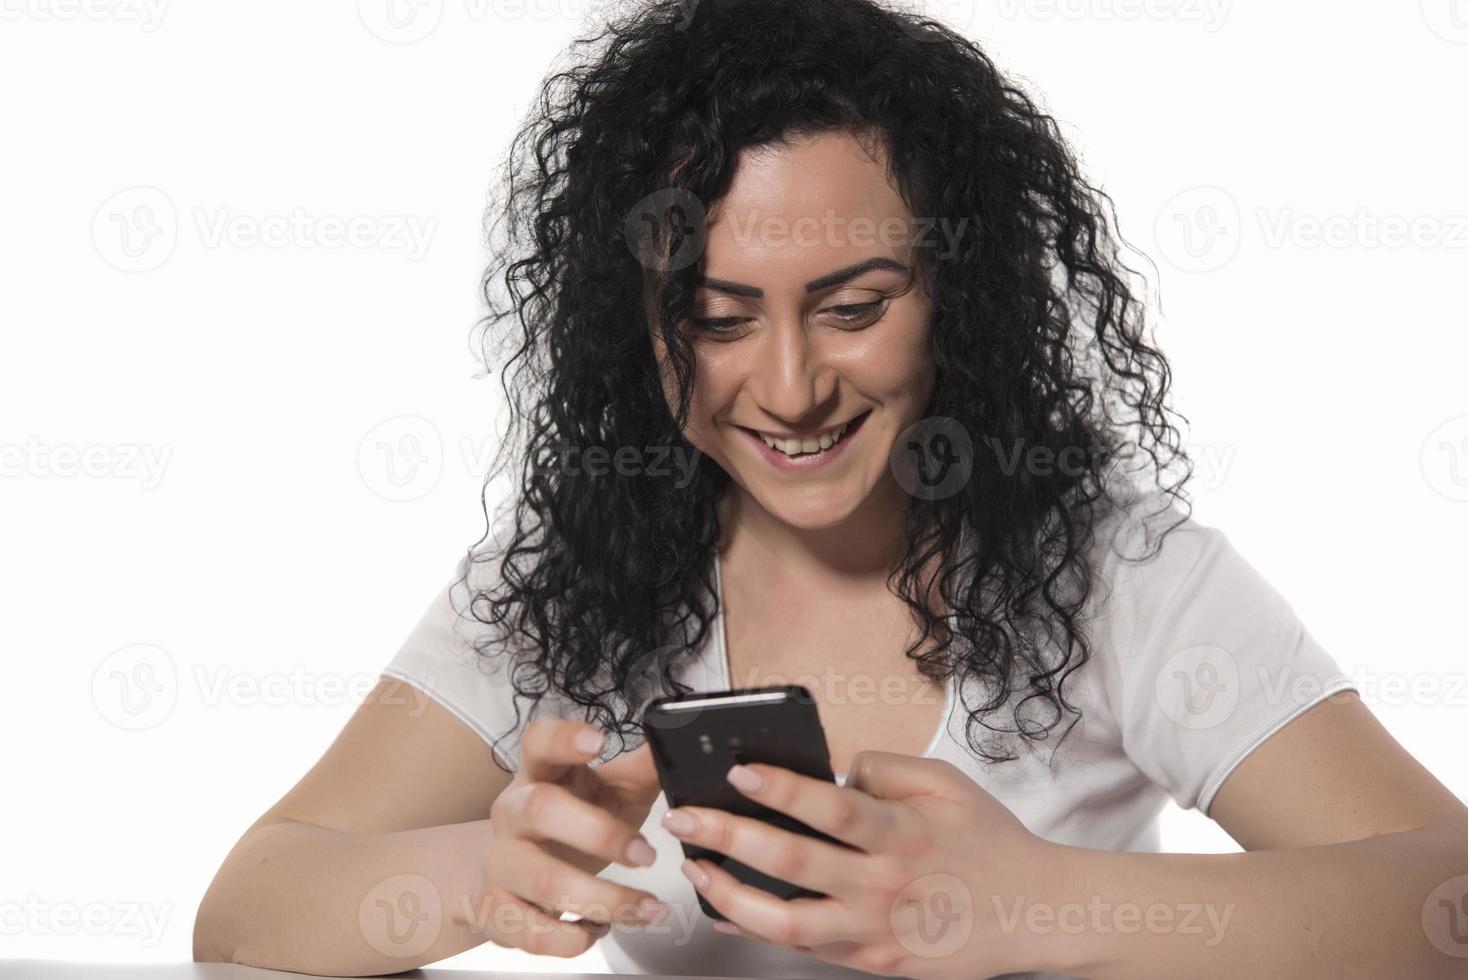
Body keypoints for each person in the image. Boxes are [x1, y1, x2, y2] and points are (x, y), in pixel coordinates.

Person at [192, 1, 1468, 977]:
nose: (789, 388)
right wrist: (483, 867)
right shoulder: (574, 575)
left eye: (853, 307)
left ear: (956, 296)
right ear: (636, 328)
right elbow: (247, 902)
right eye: (717, 318)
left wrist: (1025, 901)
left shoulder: (1119, 574)